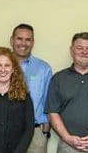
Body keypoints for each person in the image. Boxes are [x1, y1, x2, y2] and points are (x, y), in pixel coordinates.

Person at [9, 23, 53, 153]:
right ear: (12, 40)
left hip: (35, 134)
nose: (24, 43)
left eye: (28, 39)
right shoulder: (0, 65)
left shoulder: (43, 68)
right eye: (19, 38)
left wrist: (45, 132)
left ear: (33, 42)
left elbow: (48, 103)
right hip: (5, 132)